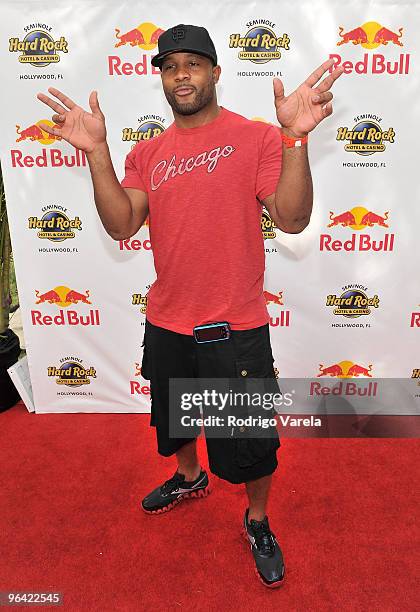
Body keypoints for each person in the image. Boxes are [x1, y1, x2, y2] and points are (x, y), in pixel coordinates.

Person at [37, 23, 343, 588]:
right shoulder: (148, 151)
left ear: (216, 73)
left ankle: (257, 519)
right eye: (171, 64)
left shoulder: (256, 138)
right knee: (177, 420)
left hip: (235, 324)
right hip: (167, 322)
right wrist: (98, 153)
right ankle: (189, 476)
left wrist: (296, 140)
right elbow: (122, 222)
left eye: (194, 63)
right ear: (160, 77)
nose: (182, 74)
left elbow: (293, 218)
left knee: (250, 442)